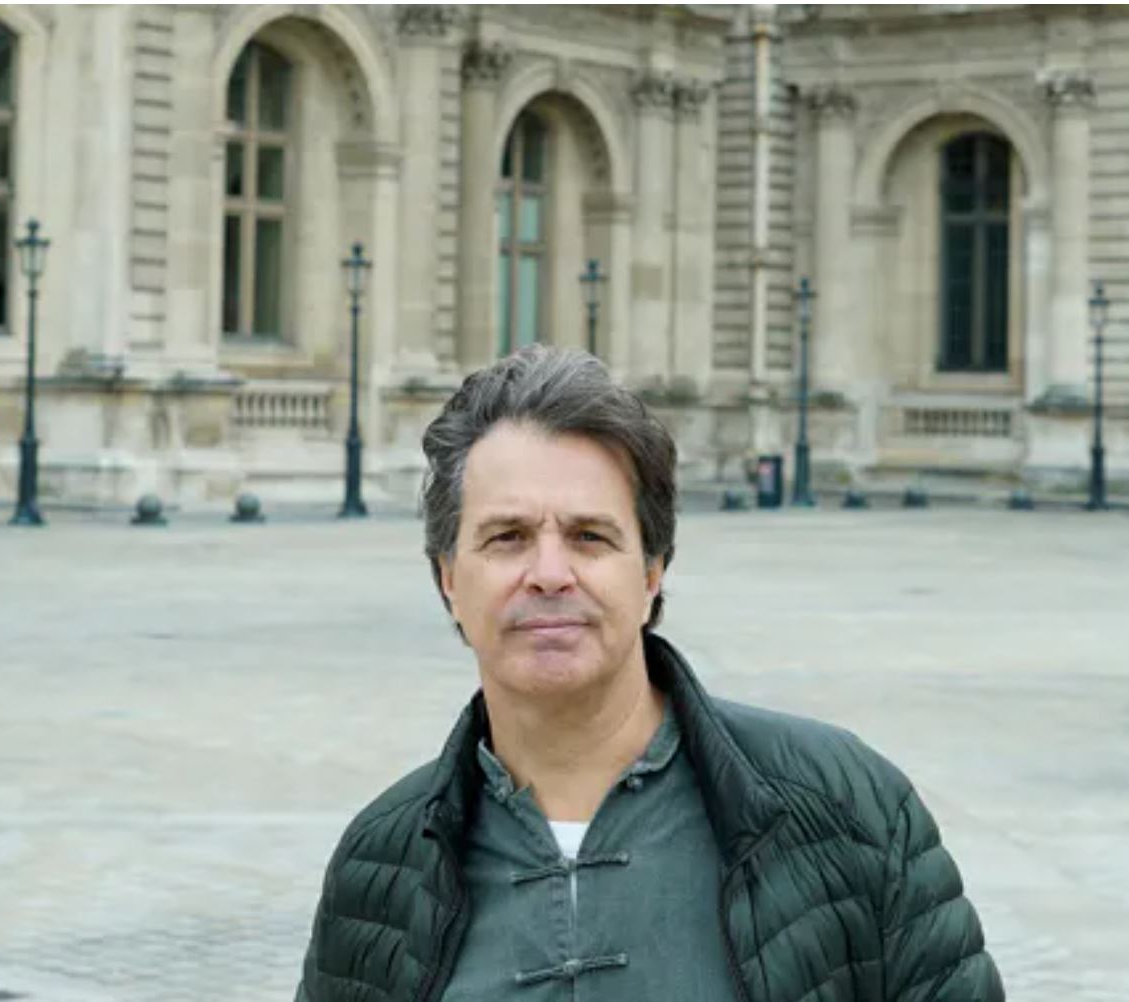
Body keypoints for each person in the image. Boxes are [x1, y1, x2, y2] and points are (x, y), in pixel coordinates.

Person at [295, 345, 1002, 1001]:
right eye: (507, 537)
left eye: (589, 537)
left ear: (652, 573)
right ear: (449, 577)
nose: (549, 574)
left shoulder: (848, 813)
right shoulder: (376, 871)